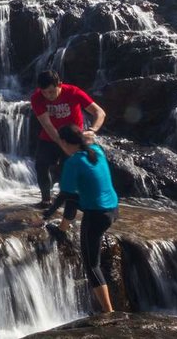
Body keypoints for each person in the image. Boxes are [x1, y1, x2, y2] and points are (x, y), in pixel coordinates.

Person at [55, 124, 119, 314]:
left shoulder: (73, 162)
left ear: (65, 143)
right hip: (113, 210)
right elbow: (73, 198)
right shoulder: (96, 150)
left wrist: (45, 216)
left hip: (96, 216)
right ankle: (63, 227)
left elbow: (63, 197)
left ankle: (109, 312)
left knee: (92, 265)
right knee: (75, 199)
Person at [29, 70, 105, 205]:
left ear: (60, 85)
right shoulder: (36, 98)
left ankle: (67, 203)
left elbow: (99, 112)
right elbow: (47, 125)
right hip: (49, 137)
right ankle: (46, 200)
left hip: (72, 138)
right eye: (44, 92)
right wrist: (60, 142)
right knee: (41, 165)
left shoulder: (73, 92)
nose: (48, 96)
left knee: (69, 170)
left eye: (52, 92)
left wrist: (92, 130)